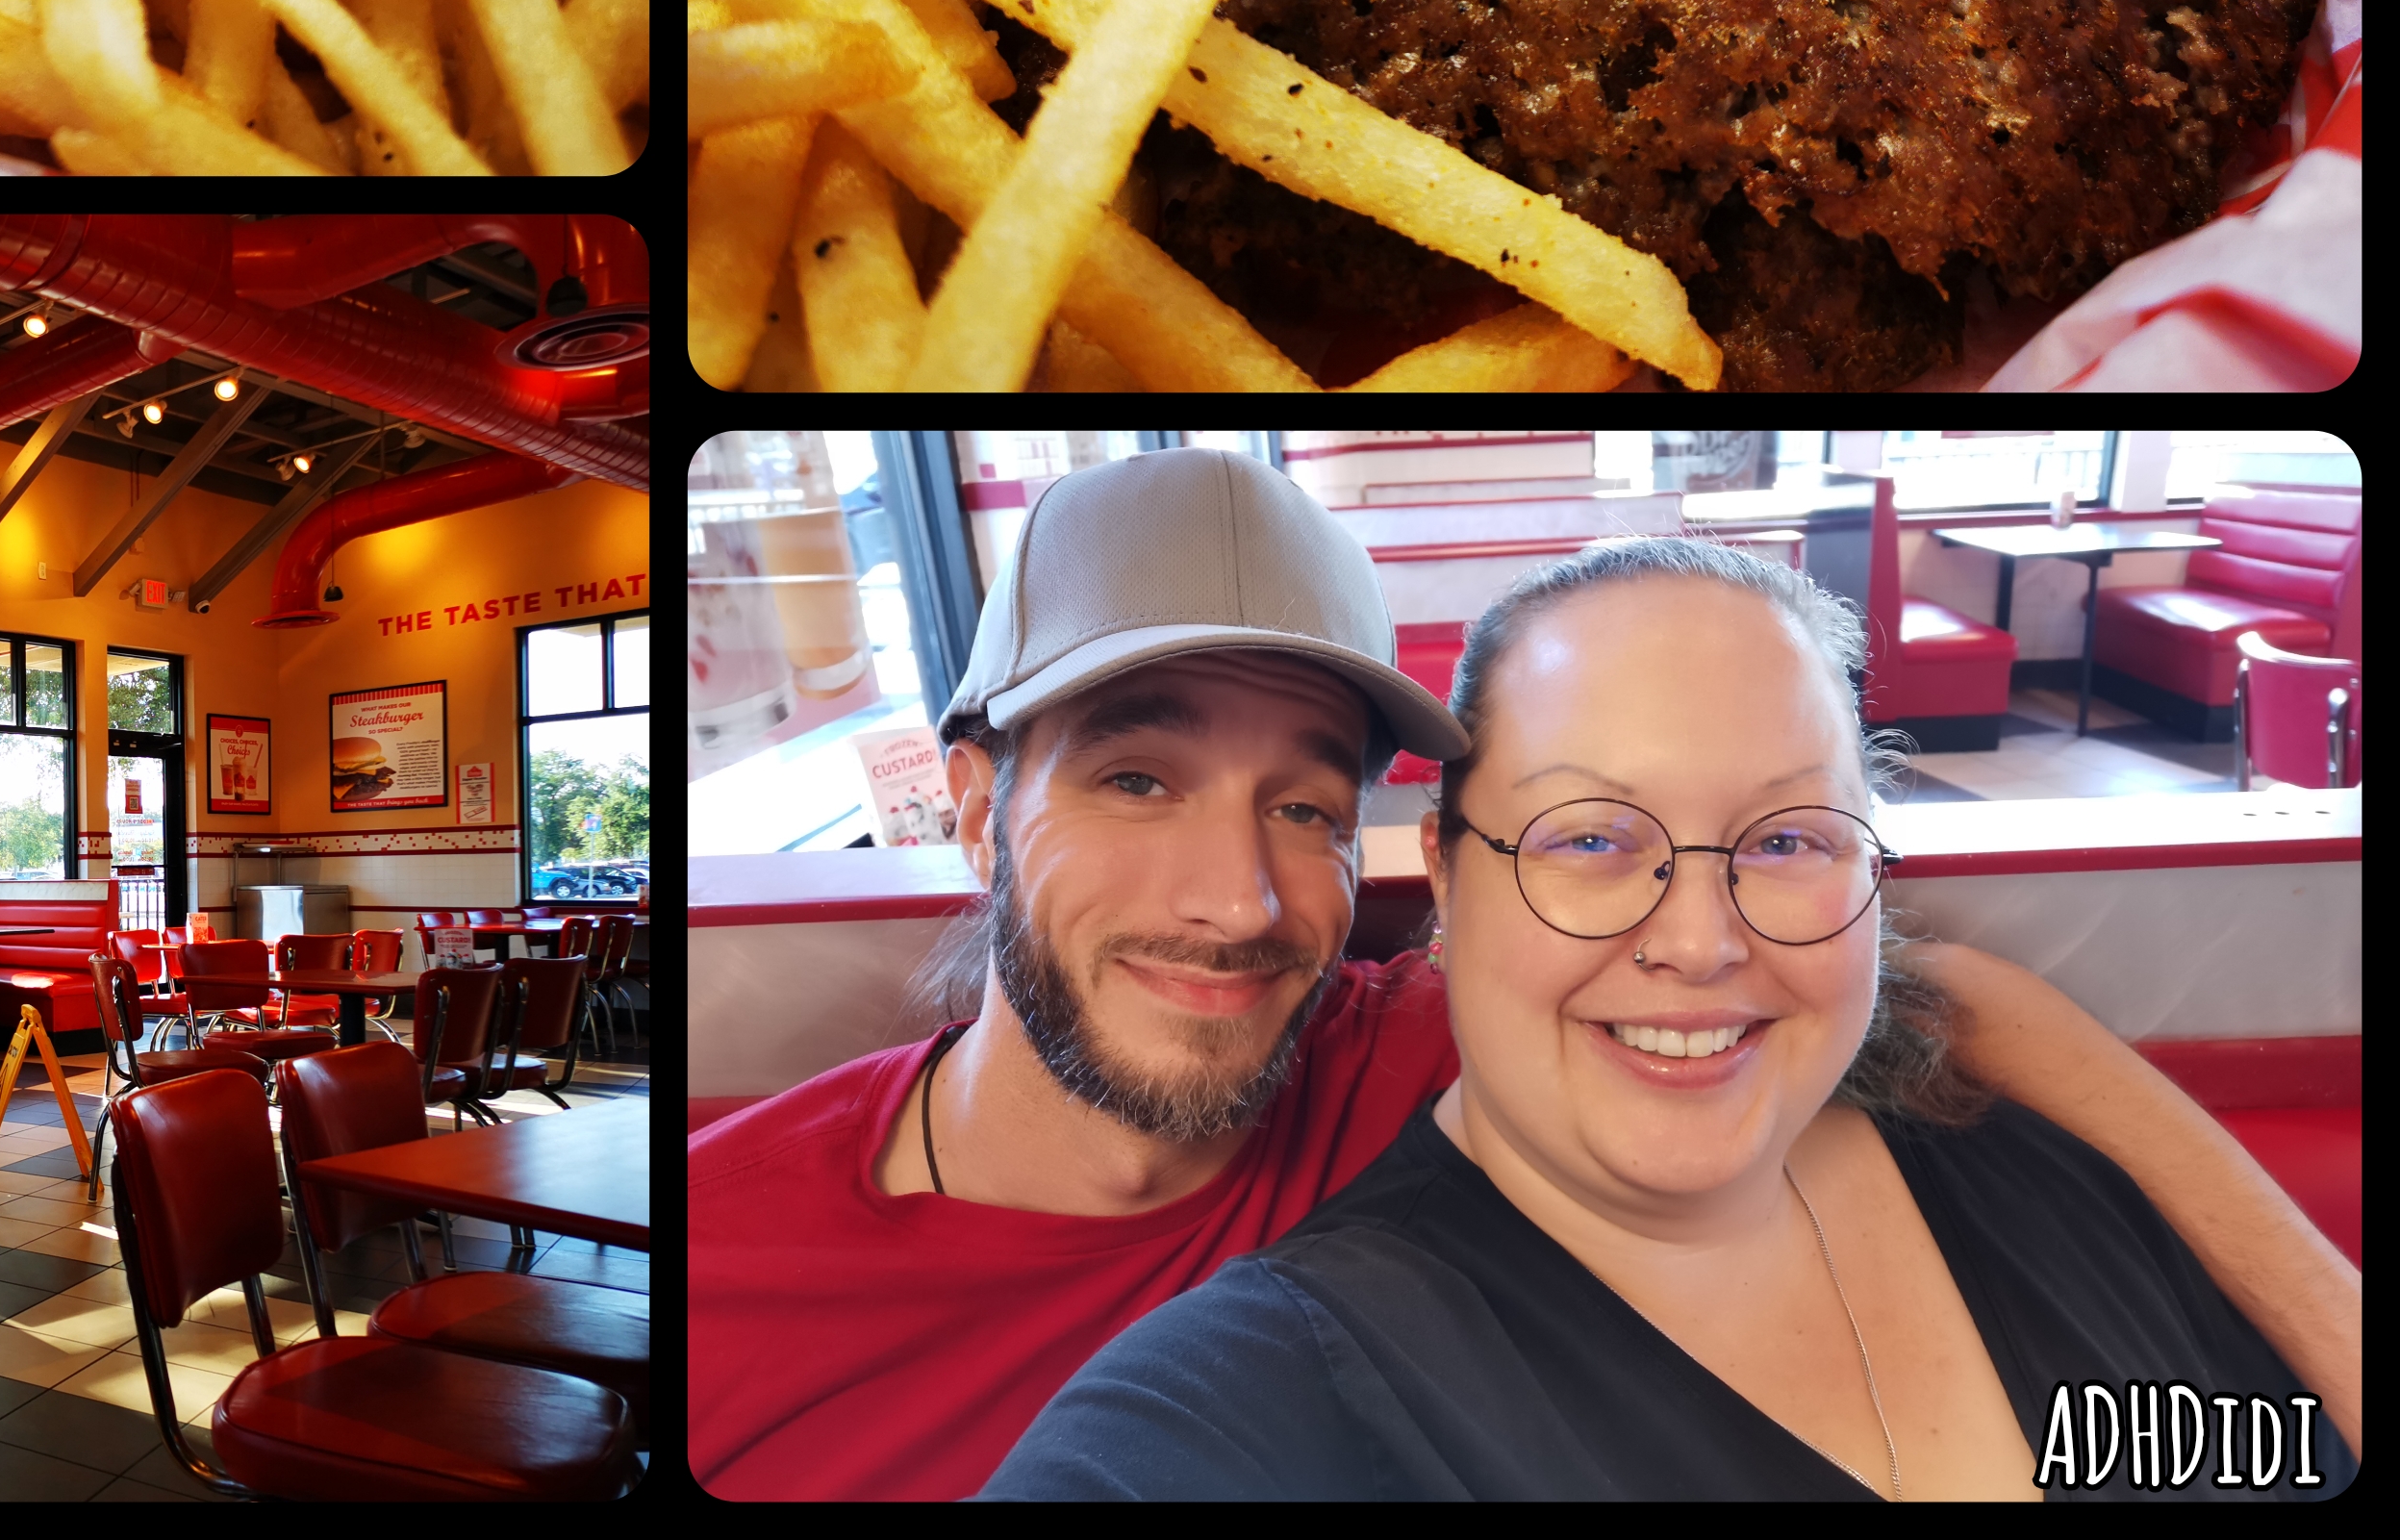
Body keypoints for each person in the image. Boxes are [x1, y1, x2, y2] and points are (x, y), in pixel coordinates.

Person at [691, 453, 2363, 1502]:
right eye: (1137, 778)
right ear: (980, 807)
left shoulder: (1439, 1031)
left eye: (1307, 805)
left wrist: (2331, 1328)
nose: (1236, 898)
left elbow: (1930, 1005)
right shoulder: (709, 1258)